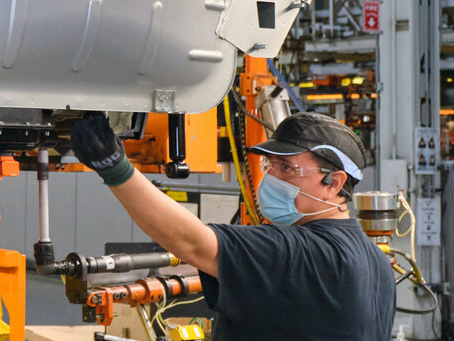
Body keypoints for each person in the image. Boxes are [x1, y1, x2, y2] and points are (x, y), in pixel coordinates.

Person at [71, 110, 395, 340]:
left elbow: (193, 243)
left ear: (334, 182)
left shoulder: (296, 251)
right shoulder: (378, 263)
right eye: (270, 164)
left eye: (287, 167)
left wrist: (114, 167)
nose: (271, 177)